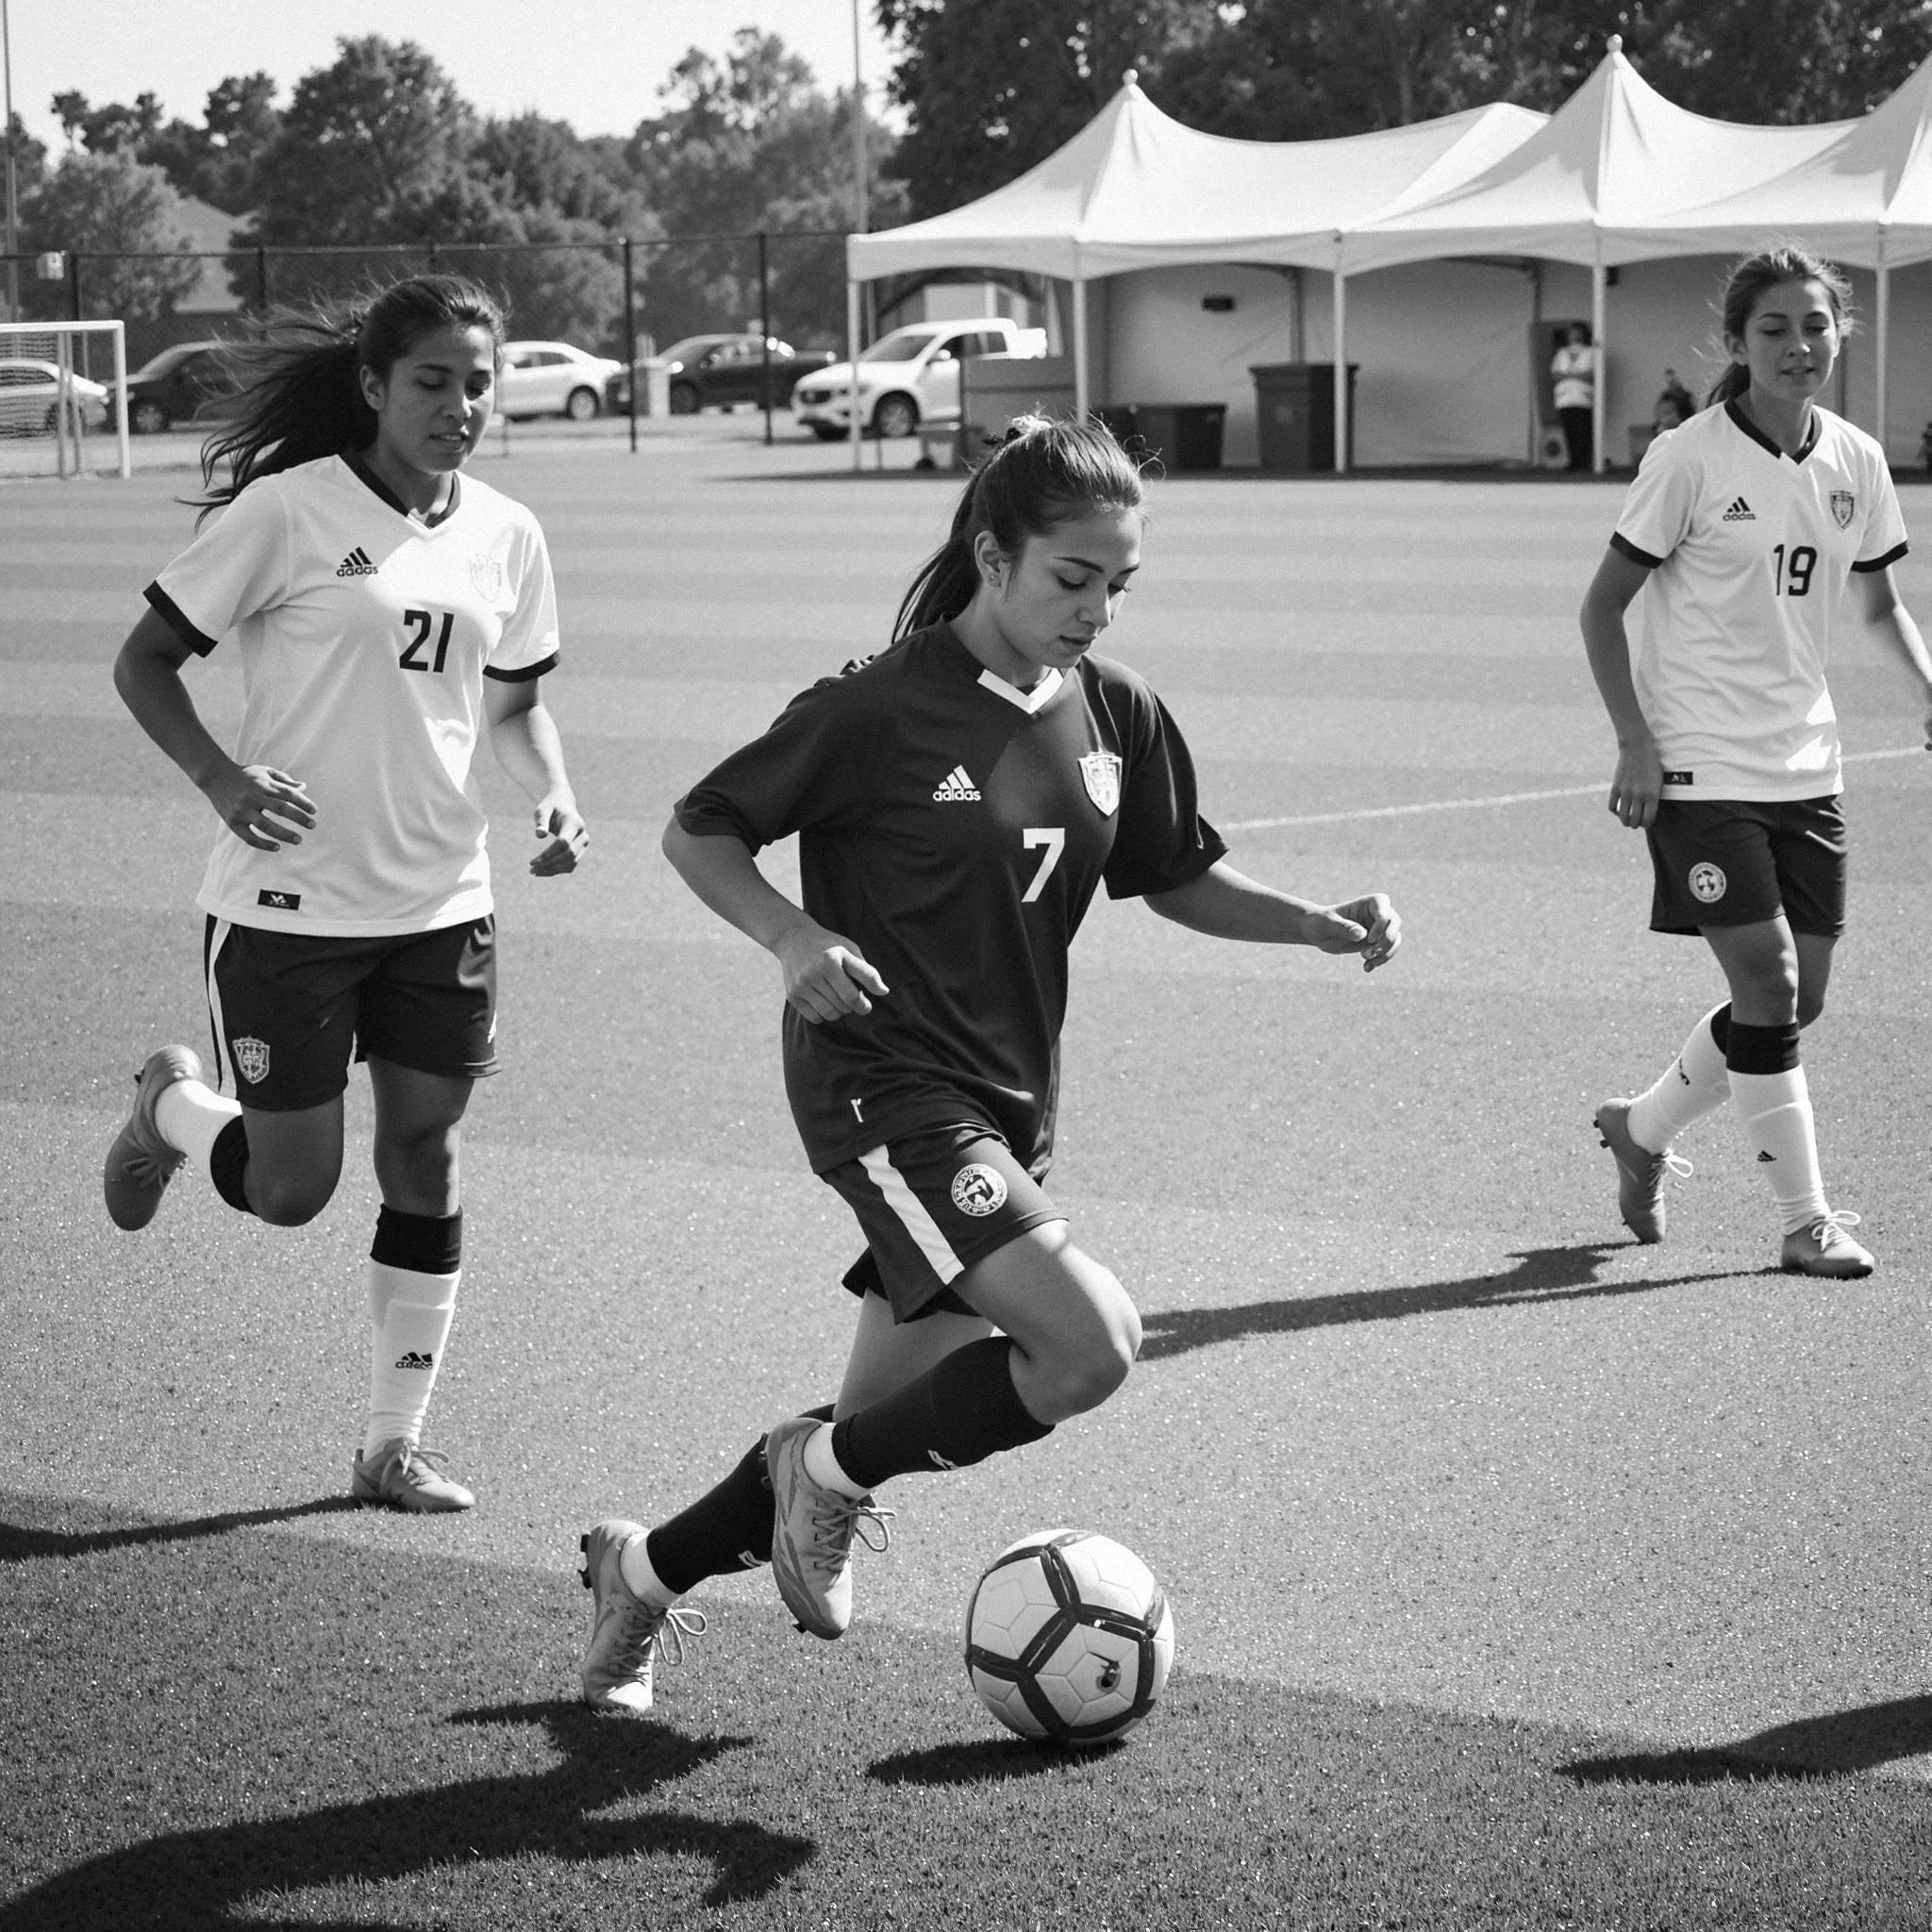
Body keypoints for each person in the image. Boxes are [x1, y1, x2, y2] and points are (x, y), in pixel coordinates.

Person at [575, 417, 1402, 1712]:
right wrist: (791, 935)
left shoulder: (1116, 710)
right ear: (991, 556)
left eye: (1118, 585)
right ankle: (824, 1479)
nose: (1096, 608)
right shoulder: (875, 706)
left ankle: (645, 1571)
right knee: (1092, 1348)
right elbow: (700, 829)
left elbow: (1172, 871)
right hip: (882, 1086)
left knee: (870, 1429)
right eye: (1073, 577)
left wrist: (1309, 920)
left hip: (1005, 1108)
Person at [101, 275, 589, 1511]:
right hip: (288, 911)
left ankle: (391, 1445)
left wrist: (550, 791)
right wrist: (222, 780)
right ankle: (171, 1111)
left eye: (478, 382)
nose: (461, 405)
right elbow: (146, 660)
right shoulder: (287, 512)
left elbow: (517, 710)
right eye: (433, 380)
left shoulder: (509, 535)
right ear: (373, 386)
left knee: (426, 1153)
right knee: (291, 1190)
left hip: (443, 904)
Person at [1578, 245, 1932, 1277]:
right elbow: (1601, 605)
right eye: (1772, 328)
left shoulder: (1855, 460)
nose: (1797, 345)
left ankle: (1639, 1127)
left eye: (1814, 326)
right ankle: (1802, 1219)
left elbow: (1877, 604)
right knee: (1769, 981)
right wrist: (1634, 739)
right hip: (1696, 770)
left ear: (1839, 335)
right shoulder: (1687, 457)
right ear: (1734, 344)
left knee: (1793, 997)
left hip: (1805, 767)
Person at [1552, 323, 1598, 472]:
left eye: (1578, 332)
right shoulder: (1561, 353)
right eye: (1572, 332)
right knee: (1569, 430)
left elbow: (1592, 374)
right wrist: (1577, 375)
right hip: (1565, 398)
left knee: (1583, 429)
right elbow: (1555, 374)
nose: (1575, 335)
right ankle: (1573, 461)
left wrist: (1570, 375)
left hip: (1583, 398)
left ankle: (1586, 461)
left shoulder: (1591, 352)